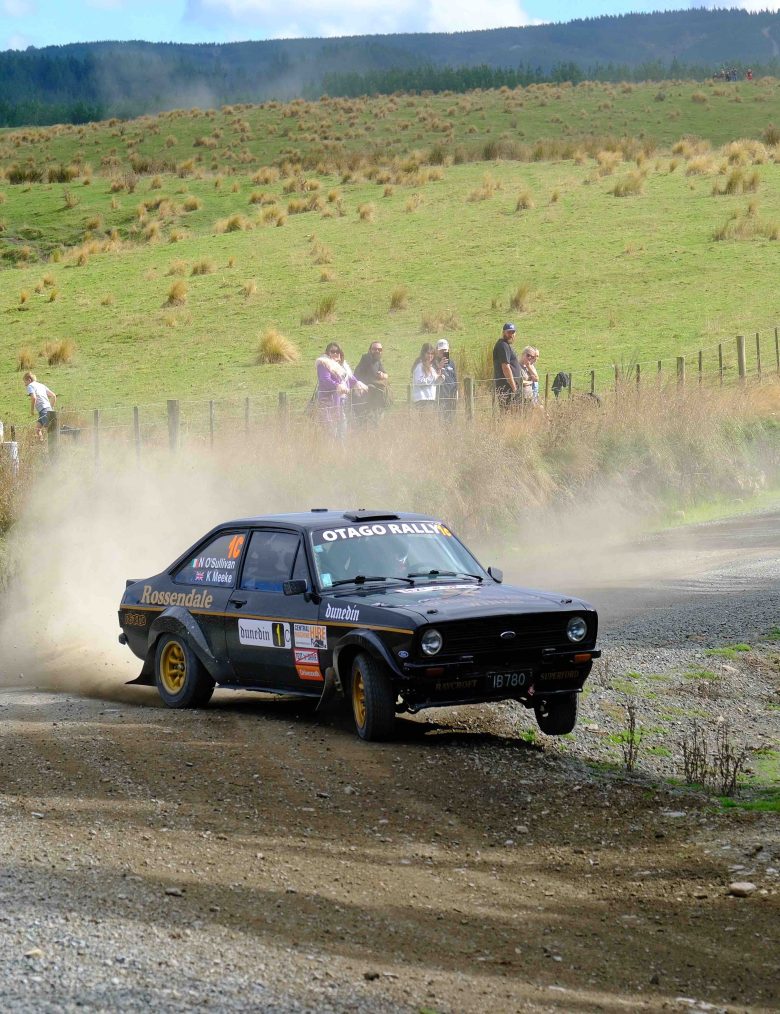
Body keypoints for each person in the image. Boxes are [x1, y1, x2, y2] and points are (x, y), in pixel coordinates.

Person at [315, 343, 366, 436]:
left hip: (342, 402)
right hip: (329, 402)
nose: (335, 353)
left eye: (337, 351)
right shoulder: (324, 364)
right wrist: (337, 386)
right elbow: (325, 380)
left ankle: (340, 445)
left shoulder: (342, 365)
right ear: (327, 353)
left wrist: (357, 384)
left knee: (342, 430)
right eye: (332, 351)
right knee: (331, 431)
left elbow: (349, 378)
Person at [353, 340, 389, 423]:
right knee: (367, 422)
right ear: (369, 350)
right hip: (364, 400)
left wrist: (382, 375)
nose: (377, 351)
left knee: (375, 422)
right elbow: (368, 376)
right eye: (374, 349)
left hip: (375, 399)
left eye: (379, 349)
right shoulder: (366, 359)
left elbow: (386, 374)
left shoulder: (377, 361)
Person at [492, 322, 521, 409]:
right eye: (509, 332)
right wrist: (514, 387)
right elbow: (505, 367)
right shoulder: (503, 346)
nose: (511, 335)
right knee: (507, 411)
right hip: (507, 387)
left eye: (513, 332)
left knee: (512, 412)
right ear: (503, 332)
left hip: (509, 386)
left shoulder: (506, 345)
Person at [23, 371, 56, 441]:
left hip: (43, 410)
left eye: (25, 382)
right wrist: (51, 408)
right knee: (37, 430)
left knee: (51, 431)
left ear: (29, 380)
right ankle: (40, 444)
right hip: (45, 410)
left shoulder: (30, 386)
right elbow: (53, 396)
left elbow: (34, 398)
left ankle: (71, 432)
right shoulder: (41, 385)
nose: (25, 385)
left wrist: (32, 410)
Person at [411, 342, 441, 412]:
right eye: (428, 353)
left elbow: (434, 382)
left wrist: (440, 378)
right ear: (423, 353)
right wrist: (433, 378)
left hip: (430, 398)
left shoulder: (432, 367)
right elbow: (418, 381)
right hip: (422, 399)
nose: (430, 356)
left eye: (432, 354)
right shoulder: (419, 366)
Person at [434, 338, 458, 418]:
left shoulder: (451, 363)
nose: (443, 352)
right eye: (441, 350)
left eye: (445, 350)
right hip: (440, 397)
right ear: (437, 351)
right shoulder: (433, 363)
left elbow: (455, 378)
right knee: (441, 418)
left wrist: (456, 392)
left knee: (452, 418)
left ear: (448, 350)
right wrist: (439, 367)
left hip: (451, 396)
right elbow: (433, 380)